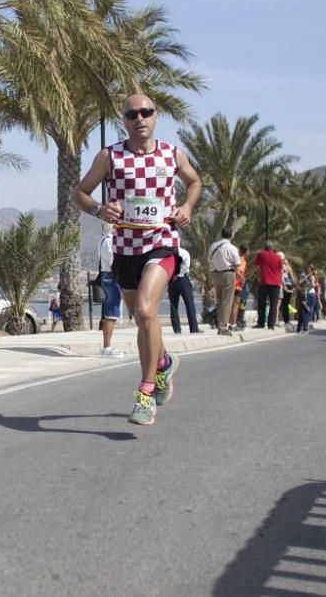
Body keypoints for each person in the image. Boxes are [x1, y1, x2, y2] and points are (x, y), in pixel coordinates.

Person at [73, 93, 201, 426]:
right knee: (143, 321)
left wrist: (186, 207)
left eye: (146, 112)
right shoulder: (110, 157)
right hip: (125, 250)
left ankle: (145, 394)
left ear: (156, 117)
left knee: (146, 309)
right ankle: (163, 364)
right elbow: (80, 193)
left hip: (162, 243)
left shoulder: (172, 155)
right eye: (132, 114)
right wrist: (99, 208)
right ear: (124, 120)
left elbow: (195, 181)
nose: (140, 118)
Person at [209, 226, 241, 336]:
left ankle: (220, 325)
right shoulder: (231, 248)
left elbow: (209, 259)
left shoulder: (213, 246)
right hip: (228, 274)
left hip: (215, 274)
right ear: (231, 235)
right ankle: (223, 327)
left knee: (219, 301)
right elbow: (237, 263)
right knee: (227, 301)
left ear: (221, 234)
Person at [98, 226, 124, 357]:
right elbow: (113, 262)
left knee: (111, 312)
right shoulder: (109, 241)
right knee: (112, 313)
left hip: (108, 276)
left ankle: (107, 347)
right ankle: (107, 347)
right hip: (111, 277)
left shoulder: (105, 240)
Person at [168, 246, 203, 334]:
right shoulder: (184, 252)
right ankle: (194, 328)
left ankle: (177, 329)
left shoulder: (168, 254)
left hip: (171, 280)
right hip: (182, 279)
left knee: (173, 305)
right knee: (189, 303)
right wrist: (179, 274)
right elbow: (186, 265)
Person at [253, 241, 283, 329]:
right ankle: (271, 325)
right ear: (272, 248)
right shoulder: (278, 257)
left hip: (264, 282)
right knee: (273, 305)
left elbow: (256, 266)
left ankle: (261, 323)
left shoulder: (261, 254)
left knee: (261, 303)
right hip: (276, 283)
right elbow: (280, 269)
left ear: (264, 247)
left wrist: (260, 273)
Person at [230, 245, 249, 330]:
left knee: (232, 305)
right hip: (237, 285)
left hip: (232, 284)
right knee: (235, 305)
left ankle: (229, 323)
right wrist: (243, 278)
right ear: (246, 251)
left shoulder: (236, 259)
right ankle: (233, 324)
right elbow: (237, 271)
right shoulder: (242, 260)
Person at [279, 251, 296, 330]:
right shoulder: (288, 267)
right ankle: (286, 320)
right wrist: (295, 285)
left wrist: (284, 286)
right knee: (285, 304)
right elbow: (292, 277)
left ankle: (284, 319)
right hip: (289, 285)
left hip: (285, 285)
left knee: (283, 304)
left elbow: (282, 276)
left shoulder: (281, 266)